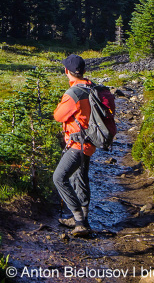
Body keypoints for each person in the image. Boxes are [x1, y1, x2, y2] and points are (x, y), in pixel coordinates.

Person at [52, 54, 99, 236]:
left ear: (66, 71)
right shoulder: (91, 88)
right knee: (79, 179)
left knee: (59, 178)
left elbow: (58, 116)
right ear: (84, 71)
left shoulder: (73, 94)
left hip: (77, 144)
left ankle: (79, 220)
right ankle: (82, 218)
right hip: (89, 143)